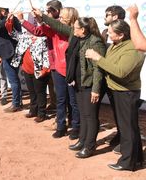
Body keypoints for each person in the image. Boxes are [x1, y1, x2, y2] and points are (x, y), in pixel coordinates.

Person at [35, 12, 106, 158]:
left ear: (83, 30)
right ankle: (82, 140)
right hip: (78, 82)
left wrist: (95, 90)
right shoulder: (76, 36)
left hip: (90, 84)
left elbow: (98, 68)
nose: (73, 29)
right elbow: (58, 26)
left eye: (76, 28)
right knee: (83, 114)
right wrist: (42, 16)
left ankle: (89, 146)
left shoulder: (95, 42)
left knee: (90, 116)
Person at [85, 20, 145, 171]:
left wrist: (98, 58)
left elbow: (120, 71)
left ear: (121, 35)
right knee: (129, 127)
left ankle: (127, 162)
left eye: (111, 32)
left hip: (126, 93)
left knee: (127, 129)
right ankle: (136, 159)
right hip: (118, 91)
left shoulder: (132, 49)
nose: (108, 34)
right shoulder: (118, 45)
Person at [30, 7, 81, 139]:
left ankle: (75, 126)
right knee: (61, 100)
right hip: (58, 70)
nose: (60, 18)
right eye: (61, 16)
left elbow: (60, 28)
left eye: (64, 16)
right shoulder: (55, 30)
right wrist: (39, 19)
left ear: (71, 18)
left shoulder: (74, 31)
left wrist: (43, 16)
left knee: (73, 102)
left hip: (71, 71)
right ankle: (61, 126)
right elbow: (41, 30)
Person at [7, 12, 50, 122]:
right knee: (32, 92)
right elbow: (11, 32)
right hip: (27, 69)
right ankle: (33, 110)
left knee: (40, 92)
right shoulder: (25, 37)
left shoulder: (44, 38)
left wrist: (45, 70)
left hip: (39, 70)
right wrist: (10, 20)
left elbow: (47, 56)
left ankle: (42, 113)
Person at [100, 5, 125, 150]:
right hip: (105, 77)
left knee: (122, 111)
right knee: (115, 110)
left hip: (118, 79)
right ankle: (120, 134)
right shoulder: (104, 32)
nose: (105, 17)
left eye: (107, 14)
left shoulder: (125, 32)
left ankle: (125, 139)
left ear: (115, 17)